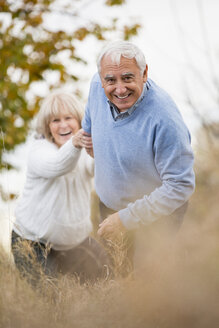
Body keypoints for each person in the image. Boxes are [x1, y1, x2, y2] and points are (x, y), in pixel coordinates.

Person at [81, 40, 195, 269]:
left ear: (144, 73)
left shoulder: (164, 120)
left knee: (147, 286)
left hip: (157, 215)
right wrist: (89, 138)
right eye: (110, 80)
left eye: (128, 78)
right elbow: (90, 123)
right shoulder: (96, 84)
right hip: (109, 206)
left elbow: (180, 185)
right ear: (101, 77)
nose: (120, 89)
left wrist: (125, 218)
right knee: (117, 275)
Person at [11, 91, 110, 284]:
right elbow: (57, 165)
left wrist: (102, 146)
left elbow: (100, 168)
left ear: (79, 120)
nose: (63, 125)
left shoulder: (82, 150)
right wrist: (75, 142)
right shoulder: (39, 151)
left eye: (68, 118)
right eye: (55, 120)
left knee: (106, 280)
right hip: (32, 241)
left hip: (74, 241)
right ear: (47, 126)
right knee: (50, 302)